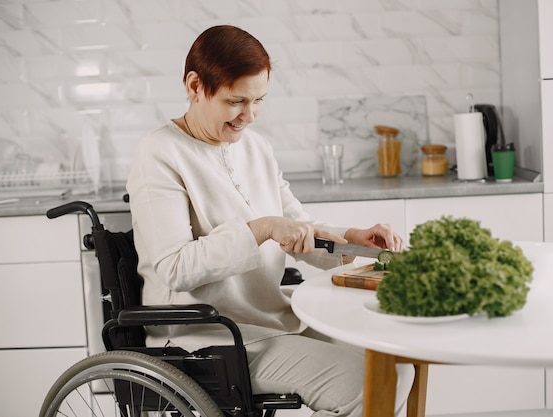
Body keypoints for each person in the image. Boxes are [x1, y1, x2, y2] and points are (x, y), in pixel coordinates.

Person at [126, 25, 414, 416]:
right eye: (236, 101)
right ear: (195, 87)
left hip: (274, 318)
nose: (249, 115)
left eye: (259, 100)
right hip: (210, 335)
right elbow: (174, 268)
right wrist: (260, 228)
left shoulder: (255, 148)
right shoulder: (160, 154)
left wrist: (355, 239)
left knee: (397, 362)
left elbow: (298, 227)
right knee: (370, 384)